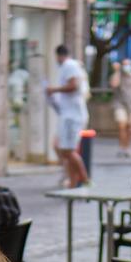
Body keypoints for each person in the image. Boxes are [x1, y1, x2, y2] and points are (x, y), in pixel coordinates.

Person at [45, 45, 90, 188]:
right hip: (67, 115)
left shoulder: (70, 65)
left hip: (73, 117)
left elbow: (73, 86)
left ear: (58, 55)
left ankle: (85, 180)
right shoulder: (67, 67)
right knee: (62, 149)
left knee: (68, 151)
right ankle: (72, 182)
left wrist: (54, 89)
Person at [109, 58, 131, 158]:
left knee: (130, 127)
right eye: (124, 64)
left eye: (128, 64)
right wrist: (117, 71)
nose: (126, 66)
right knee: (121, 125)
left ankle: (127, 147)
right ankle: (121, 147)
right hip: (120, 104)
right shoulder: (118, 75)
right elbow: (114, 84)